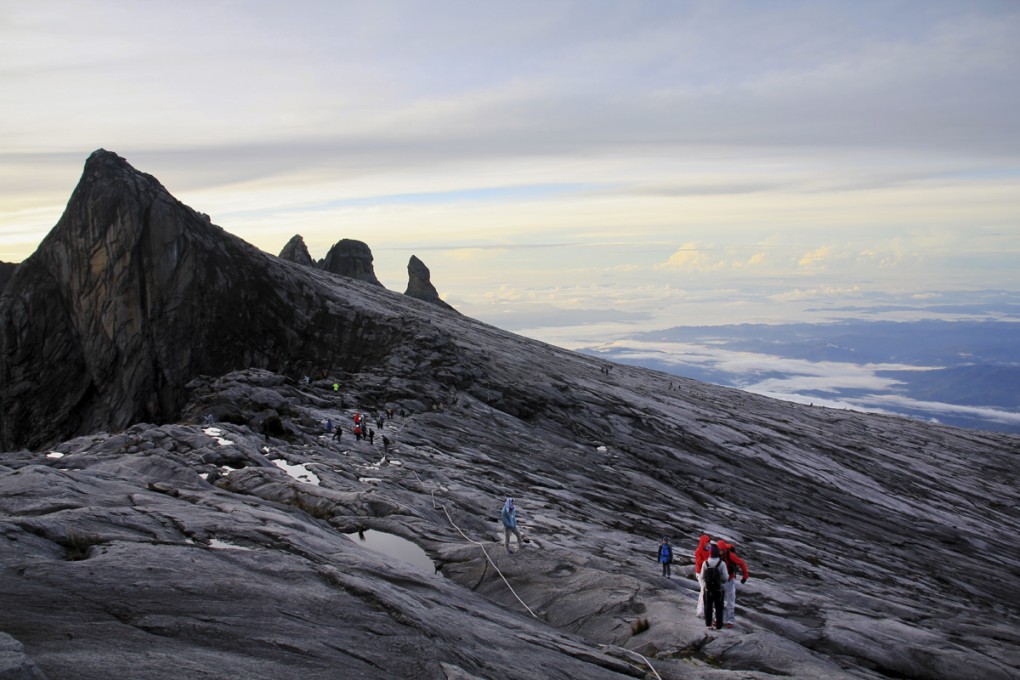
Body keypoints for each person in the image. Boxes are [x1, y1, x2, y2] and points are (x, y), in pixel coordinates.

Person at [718, 540, 749, 628]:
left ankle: (730, 620)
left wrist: (745, 576)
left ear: (724, 549)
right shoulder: (716, 555)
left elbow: (741, 563)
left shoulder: (730, 555)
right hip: (719, 581)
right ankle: (718, 619)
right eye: (719, 550)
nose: (720, 552)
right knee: (718, 601)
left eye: (721, 550)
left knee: (730, 601)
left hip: (729, 581)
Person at [701, 544, 728, 630]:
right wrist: (720, 582)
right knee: (719, 608)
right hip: (718, 589)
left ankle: (708, 624)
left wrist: (706, 583)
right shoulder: (722, 564)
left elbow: (702, 576)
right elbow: (725, 577)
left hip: (708, 589)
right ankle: (719, 626)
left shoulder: (705, 563)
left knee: (708, 607)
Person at [694, 534, 712, 617]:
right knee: (704, 591)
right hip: (700, 573)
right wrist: (707, 561)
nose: (707, 543)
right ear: (702, 542)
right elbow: (698, 562)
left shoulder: (708, 549)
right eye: (706, 542)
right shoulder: (698, 551)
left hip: (706, 572)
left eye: (708, 542)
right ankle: (700, 611)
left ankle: (699, 609)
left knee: (703, 591)